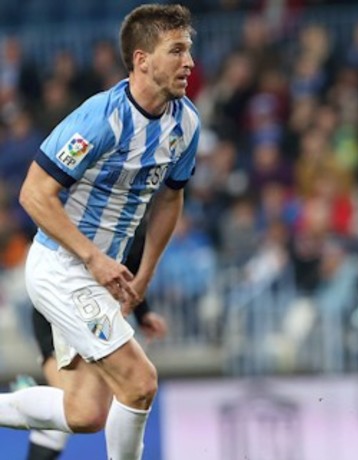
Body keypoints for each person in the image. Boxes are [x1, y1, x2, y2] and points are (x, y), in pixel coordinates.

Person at [0, 4, 199, 460]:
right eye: (176, 51)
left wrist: (144, 276)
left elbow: (171, 198)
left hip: (101, 278)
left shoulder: (186, 123)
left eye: (188, 50)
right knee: (140, 381)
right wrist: (93, 257)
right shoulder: (100, 119)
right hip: (61, 266)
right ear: (142, 60)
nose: (189, 62)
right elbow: (33, 194)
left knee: (86, 413)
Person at [13, 222, 169, 460]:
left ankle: (32, 397)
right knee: (72, 411)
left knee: (84, 415)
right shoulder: (94, 214)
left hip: (93, 316)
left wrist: (143, 313)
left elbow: (127, 271)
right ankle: (32, 397)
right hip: (59, 311)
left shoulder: (135, 223)